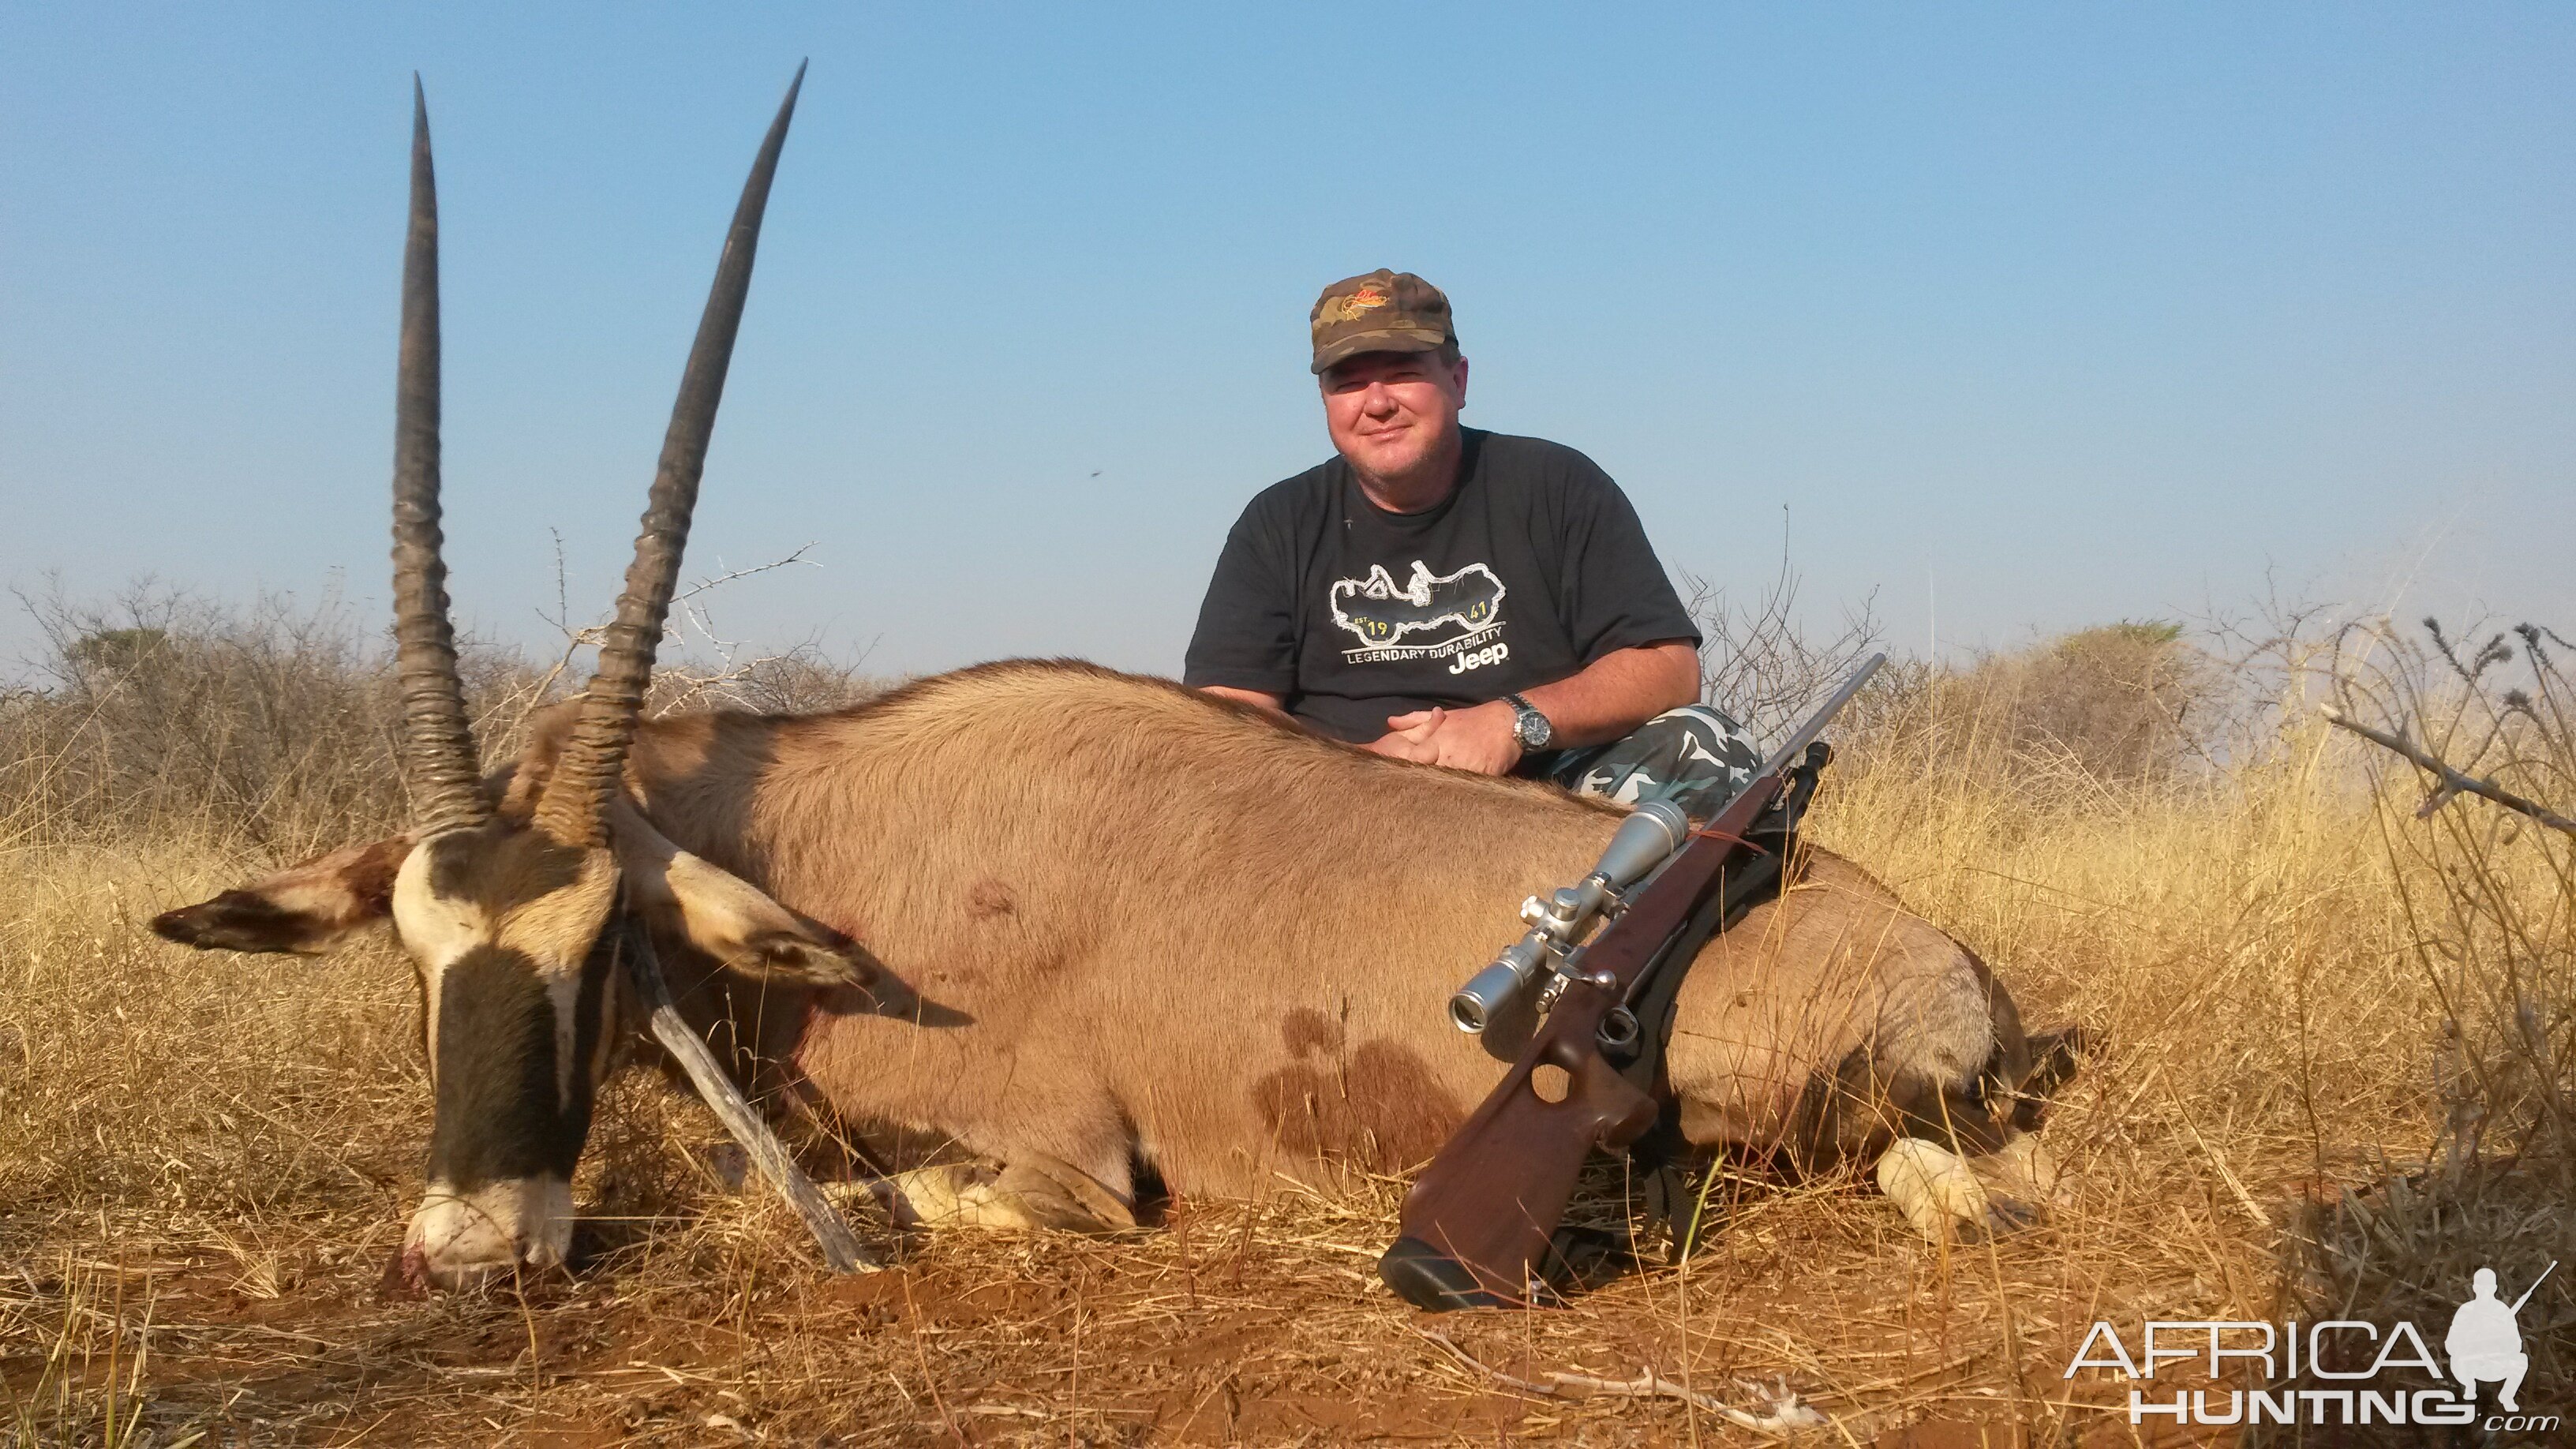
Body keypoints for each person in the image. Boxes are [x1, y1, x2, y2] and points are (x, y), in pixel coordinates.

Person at [1184, 268, 1760, 816]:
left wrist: (1513, 722)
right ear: (1327, 403)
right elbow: (1226, 716)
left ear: (1458, 381)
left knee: (1705, 744)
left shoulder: (1555, 484)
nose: (1377, 402)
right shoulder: (1276, 523)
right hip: (1345, 808)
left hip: (1542, 802)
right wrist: (1362, 767)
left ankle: (1597, 920)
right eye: (1350, 383)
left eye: (1404, 373)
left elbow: (1667, 666)